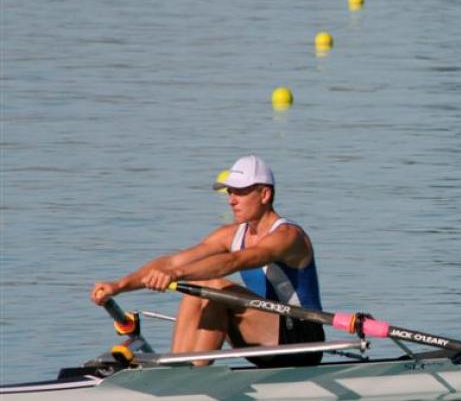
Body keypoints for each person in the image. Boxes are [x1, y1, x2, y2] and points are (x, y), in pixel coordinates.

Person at [90, 155, 325, 367]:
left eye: (240, 192)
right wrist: (120, 285)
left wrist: (177, 275)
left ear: (264, 194)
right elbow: (172, 262)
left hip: (303, 339)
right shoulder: (230, 234)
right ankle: (177, 367)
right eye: (230, 192)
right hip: (267, 336)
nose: (231, 200)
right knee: (196, 290)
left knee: (213, 286)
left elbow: (235, 261)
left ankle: (191, 378)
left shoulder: (288, 237)